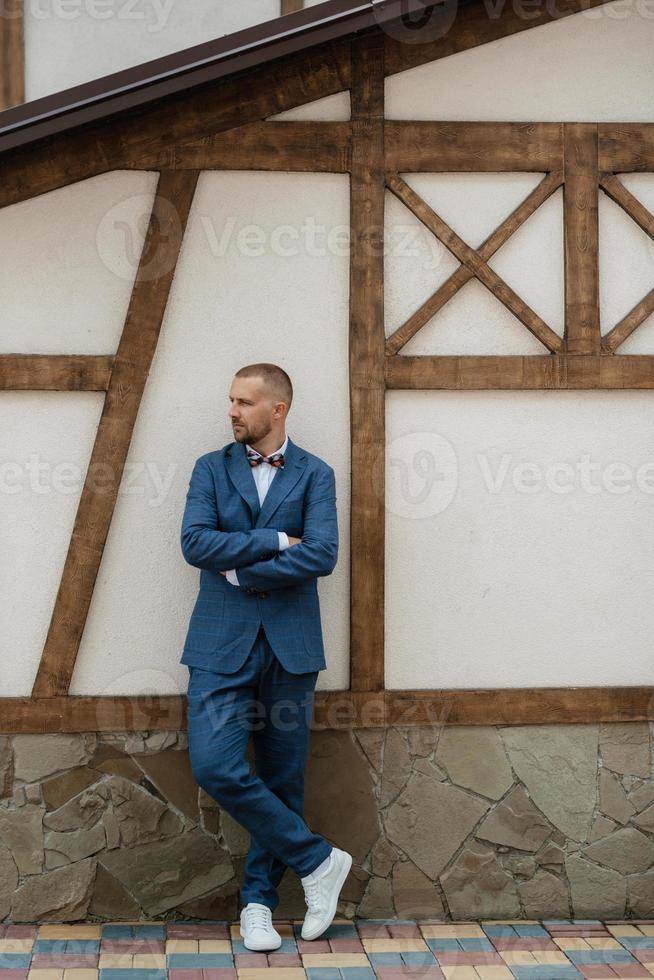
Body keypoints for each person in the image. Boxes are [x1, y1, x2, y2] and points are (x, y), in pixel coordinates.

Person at [179, 362, 352, 951]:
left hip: (291, 645)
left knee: (283, 778)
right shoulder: (210, 468)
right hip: (218, 645)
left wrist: (239, 566)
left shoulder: (316, 474)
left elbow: (324, 554)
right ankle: (318, 859)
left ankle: (259, 903)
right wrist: (278, 540)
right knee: (215, 765)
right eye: (230, 400)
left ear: (277, 409)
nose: (232, 411)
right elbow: (195, 543)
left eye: (244, 402)